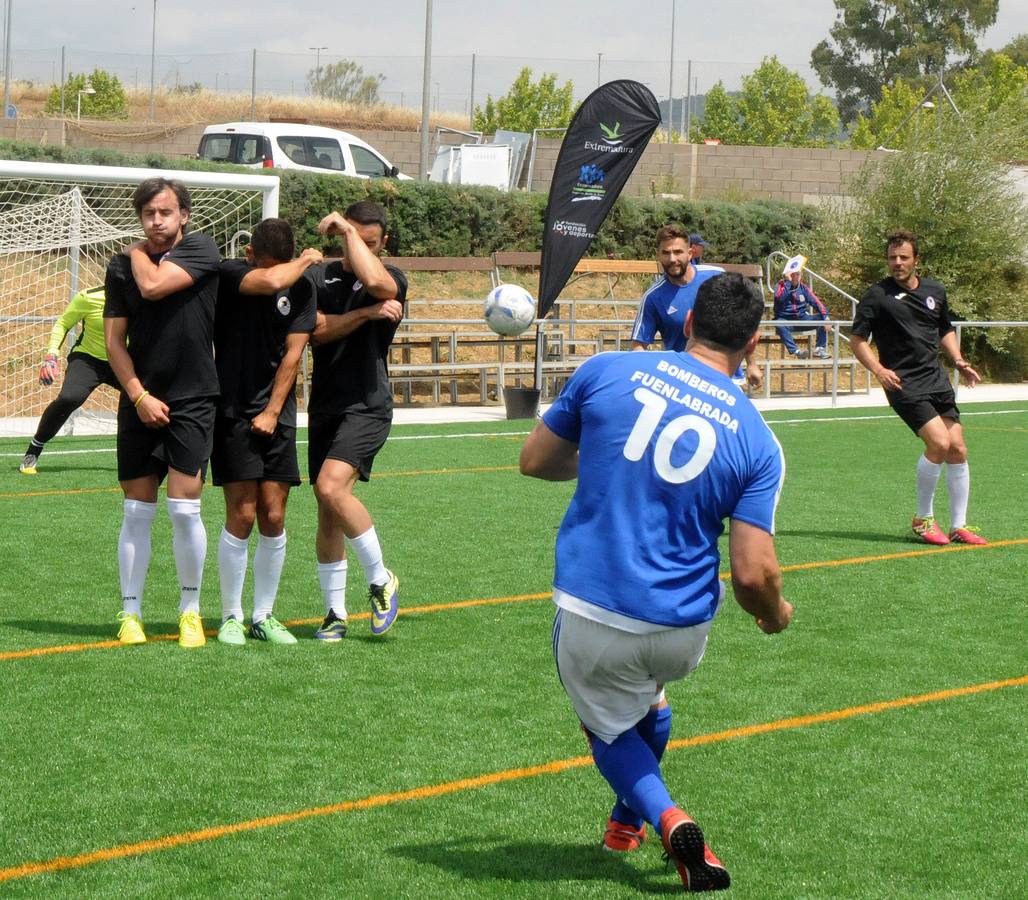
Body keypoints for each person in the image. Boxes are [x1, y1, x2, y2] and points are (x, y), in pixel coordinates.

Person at [520, 272, 793, 892]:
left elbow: (535, 461)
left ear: (688, 321)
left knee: (606, 729)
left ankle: (669, 819)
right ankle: (624, 820)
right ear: (752, 346)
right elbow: (753, 574)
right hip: (683, 627)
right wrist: (774, 614)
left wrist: (604, 457)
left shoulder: (607, 369)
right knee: (650, 700)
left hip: (597, 611)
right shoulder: (759, 440)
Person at [103, 177, 221, 648]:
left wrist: (135, 252)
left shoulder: (202, 250)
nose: (157, 221)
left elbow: (152, 286)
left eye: (165, 212)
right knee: (136, 511)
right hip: (139, 400)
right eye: (149, 214)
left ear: (183, 216)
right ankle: (130, 614)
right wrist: (137, 395)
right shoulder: (118, 268)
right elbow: (114, 342)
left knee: (185, 509)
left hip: (193, 399)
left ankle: (189, 612)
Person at [294, 200, 406, 641]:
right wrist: (362, 315)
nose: (356, 245)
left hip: (368, 404)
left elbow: (378, 284)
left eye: (367, 240)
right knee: (326, 511)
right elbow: (315, 332)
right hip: (325, 405)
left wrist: (349, 234)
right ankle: (334, 613)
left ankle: (381, 580)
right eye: (350, 236)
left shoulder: (392, 277)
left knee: (330, 486)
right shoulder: (318, 277)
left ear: (382, 243)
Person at [211, 219, 321, 646]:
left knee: (273, 515)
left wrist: (274, 410)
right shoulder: (232, 273)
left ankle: (264, 616)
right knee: (241, 514)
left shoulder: (303, 290)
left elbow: (294, 354)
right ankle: (231, 616)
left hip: (279, 415)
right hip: (233, 411)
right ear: (250, 255)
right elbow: (273, 278)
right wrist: (306, 260)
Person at [851, 228, 987, 546]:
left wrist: (958, 360)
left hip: (935, 379)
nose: (897, 263)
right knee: (939, 443)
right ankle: (923, 519)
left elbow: (944, 329)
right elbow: (857, 340)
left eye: (903, 257)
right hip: (902, 382)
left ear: (916, 260)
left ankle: (959, 525)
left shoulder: (935, 291)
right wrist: (879, 370)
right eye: (892, 258)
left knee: (958, 449)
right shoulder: (876, 295)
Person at [631, 223, 763, 393]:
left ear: (690, 253)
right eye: (666, 253)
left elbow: (740, 325)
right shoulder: (653, 297)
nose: (672, 259)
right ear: (659, 255)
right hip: (684, 384)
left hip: (726, 380)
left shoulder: (716, 277)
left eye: (678, 252)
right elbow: (638, 346)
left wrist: (751, 364)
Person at [19, 285, 121, 474]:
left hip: (125, 361)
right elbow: (63, 323)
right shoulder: (88, 297)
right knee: (69, 398)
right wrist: (51, 356)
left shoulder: (145, 297)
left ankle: (160, 457)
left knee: (153, 398)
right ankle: (34, 449)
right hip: (88, 359)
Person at [772, 262, 830, 359]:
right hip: (786, 320)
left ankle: (819, 349)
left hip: (802, 319)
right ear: (789, 275)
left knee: (822, 318)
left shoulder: (803, 288)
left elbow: (816, 302)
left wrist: (826, 317)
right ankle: (797, 352)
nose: (796, 276)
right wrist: (788, 283)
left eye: (798, 274)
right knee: (779, 324)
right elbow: (780, 298)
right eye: (793, 274)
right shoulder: (780, 286)